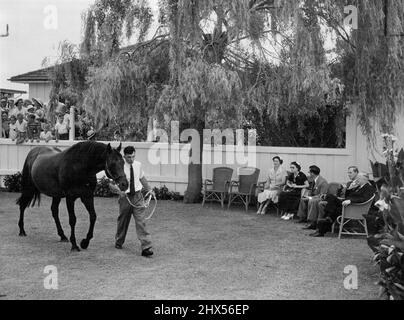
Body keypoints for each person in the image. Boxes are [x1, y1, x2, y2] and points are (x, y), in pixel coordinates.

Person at [109, 146, 155, 257]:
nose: (131, 159)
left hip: (138, 196)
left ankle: (146, 247)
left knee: (141, 221)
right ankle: (119, 240)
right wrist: (119, 192)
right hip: (125, 197)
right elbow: (111, 184)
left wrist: (150, 190)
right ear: (124, 156)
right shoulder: (119, 166)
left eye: (133, 156)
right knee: (123, 221)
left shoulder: (138, 165)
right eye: (129, 157)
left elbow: (142, 178)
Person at [310, 172, 375, 237]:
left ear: (364, 179)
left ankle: (323, 226)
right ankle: (327, 219)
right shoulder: (358, 186)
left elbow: (364, 199)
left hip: (353, 208)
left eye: (358, 178)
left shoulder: (368, 187)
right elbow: (347, 196)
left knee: (333, 211)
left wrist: (350, 201)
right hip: (346, 205)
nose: (357, 180)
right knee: (330, 196)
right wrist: (349, 189)